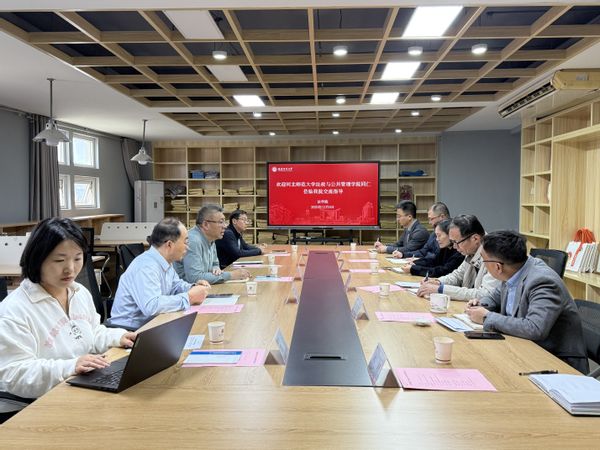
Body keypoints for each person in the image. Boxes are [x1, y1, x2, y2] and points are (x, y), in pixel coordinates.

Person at [0, 218, 136, 413]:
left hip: (80, 387)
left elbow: (92, 332)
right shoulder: (14, 310)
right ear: (37, 259)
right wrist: (70, 367)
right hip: (40, 403)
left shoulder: (79, 292)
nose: (70, 269)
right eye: (59, 260)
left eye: (78, 258)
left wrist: (119, 337)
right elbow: (14, 374)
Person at [465, 231, 589, 373]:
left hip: (557, 361)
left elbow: (534, 328)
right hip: (523, 347)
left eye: (484, 260)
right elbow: (495, 296)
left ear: (498, 267)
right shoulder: (514, 269)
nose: (483, 265)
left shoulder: (543, 281)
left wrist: (487, 317)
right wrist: (480, 305)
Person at [109, 217, 210, 330]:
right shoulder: (146, 266)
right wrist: (189, 297)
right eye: (185, 242)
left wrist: (193, 288)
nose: (188, 247)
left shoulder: (165, 261)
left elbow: (175, 286)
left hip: (153, 324)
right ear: (169, 245)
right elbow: (152, 306)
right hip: (130, 331)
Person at [416, 214, 499, 300]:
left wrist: (440, 289)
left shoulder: (494, 254)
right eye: (452, 242)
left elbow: (484, 294)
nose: (455, 247)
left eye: (456, 242)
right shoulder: (471, 251)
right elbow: (458, 275)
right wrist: (438, 282)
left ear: (475, 239)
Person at [174, 205, 250, 284]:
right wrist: (231, 275)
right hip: (187, 289)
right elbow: (195, 277)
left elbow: (215, 263)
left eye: (225, 222)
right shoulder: (193, 241)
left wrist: (215, 268)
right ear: (205, 225)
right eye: (221, 222)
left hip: (203, 287)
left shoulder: (211, 238)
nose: (225, 226)